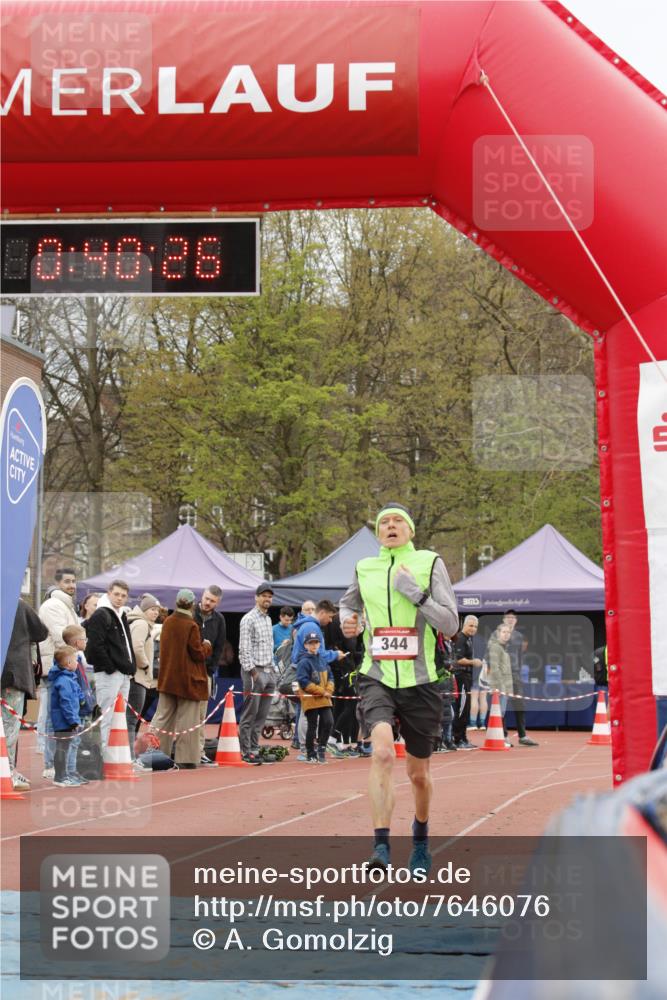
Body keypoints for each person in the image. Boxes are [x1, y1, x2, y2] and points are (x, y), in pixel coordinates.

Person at [340, 501, 458, 874]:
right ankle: (380, 844)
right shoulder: (365, 567)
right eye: (384, 523)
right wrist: (349, 621)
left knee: (418, 775)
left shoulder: (429, 562)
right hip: (376, 675)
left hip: (421, 681)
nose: (390, 526)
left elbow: (451, 623)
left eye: (397, 522)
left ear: (409, 530)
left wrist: (416, 594)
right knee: (382, 753)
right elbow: (347, 604)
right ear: (378, 534)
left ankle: (420, 839)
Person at [150, 589, 211, 768]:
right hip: (188, 680)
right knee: (188, 722)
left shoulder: (168, 621)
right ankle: (186, 759)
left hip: (168, 677)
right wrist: (207, 646)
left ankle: (158, 757)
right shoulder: (190, 625)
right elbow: (197, 653)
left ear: (176, 602)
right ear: (192, 604)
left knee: (163, 719)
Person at [1, 599, 49, 791]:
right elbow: (41, 632)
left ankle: (9, 770)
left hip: (11, 671)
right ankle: (8, 771)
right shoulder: (17, 603)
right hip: (12, 672)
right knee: (9, 726)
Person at [84, 580, 136, 750]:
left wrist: (130, 666)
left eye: (123, 596)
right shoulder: (101, 614)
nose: (120, 598)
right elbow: (94, 646)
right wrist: (110, 667)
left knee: (119, 717)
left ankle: (116, 754)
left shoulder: (121, 614)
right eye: (117, 594)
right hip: (109, 673)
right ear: (109, 593)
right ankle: (103, 754)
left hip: (123, 673)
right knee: (106, 716)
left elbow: (127, 643)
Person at [37, 572, 79, 757]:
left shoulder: (67, 606)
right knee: (51, 714)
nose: (72, 585)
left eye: (74, 581)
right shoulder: (53, 605)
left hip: (67, 664)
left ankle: (58, 759)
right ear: (57, 583)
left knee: (63, 712)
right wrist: (75, 654)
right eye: (67, 581)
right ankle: (49, 759)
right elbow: (62, 637)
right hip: (56, 666)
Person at [238, 582, 278, 765]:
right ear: (256, 597)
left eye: (269, 596)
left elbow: (269, 647)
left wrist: (273, 672)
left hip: (269, 671)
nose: (267, 599)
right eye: (264, 595)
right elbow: (243, 649)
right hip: (254, 671)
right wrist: (253, 672)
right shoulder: (248, 619)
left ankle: (254, 747)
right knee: (250, 712)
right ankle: (245, 750)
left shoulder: (268, 619)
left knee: (262, 715)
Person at [193, 586, 226, 766]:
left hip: (205, 674)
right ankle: (165, 752)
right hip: (187, 672)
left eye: (212, 601)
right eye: (206, 598)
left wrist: (211, 670)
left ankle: (199, 752)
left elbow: (219, 647)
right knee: (181, 714)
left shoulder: (220, 620)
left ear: (217, 602)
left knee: (200, 715)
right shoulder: (190, 613)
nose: (207, 603)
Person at [126, 594, 161, 759]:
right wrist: (146, 665)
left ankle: (127, 755)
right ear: (144, 609)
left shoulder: (138, 622)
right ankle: (129, 757)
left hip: (135, 677)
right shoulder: (141, 624)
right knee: (132, 720)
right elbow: (137, 647)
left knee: (131, 719)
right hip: (138, 677)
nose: (155, 613)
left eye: (157, 610)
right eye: (152, 609)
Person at [60, 624, 96, 784]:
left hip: (80, 708)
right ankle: (66, 772)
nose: (87, 642)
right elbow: (72, 688)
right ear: (76, 642)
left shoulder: (79, 659)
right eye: (84, 639)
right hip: (74, 710)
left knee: (76, 742)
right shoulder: (70, 664)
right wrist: (80, 701)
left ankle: (72, 771)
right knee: (71, 742)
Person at [295, 632, 335, 763]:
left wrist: (329, 689)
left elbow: (330, 676)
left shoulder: (322, 659)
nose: (314, 645)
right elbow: (303, 681)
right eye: (311, 643)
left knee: (329, 722)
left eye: (316, 642)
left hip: (324, 697)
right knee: (312, 725)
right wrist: (322, 691)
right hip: (311, 699)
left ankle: (322, 748)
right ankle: (310, 753)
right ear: (306, 645)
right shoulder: (303, 661)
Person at [503, 610, 538, 747]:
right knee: (502, 706)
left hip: (516, 674)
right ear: (504, 619)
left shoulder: (519, 636)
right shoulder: (497, 634)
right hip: (502, 675)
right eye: (508, 617)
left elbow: (519, 655)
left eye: (513, 617)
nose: (511, 619)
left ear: (516, 620)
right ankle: (503, 736)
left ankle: (522, 736)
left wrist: (518, 669)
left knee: (520, 705)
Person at [49, 646, 83, 787]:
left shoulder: (69, 678)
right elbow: (66, 703)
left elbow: (75, 694)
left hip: (66, 720)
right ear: (68, 663)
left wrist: (82, 699)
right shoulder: (64, 681)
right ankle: (60, 777)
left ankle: (63, 775)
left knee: (64, 747)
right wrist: (73, 721)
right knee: (62, 747)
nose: (78, 663)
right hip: (64, 722)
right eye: (76, 660)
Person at [452, 616, 481, 750]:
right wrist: (473, 662)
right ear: (464, 624)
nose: (473, 629)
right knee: (462, 708)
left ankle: (462, 737)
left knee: (466, 708)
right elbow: (458, 660)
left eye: (475, 626)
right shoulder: (460, 638)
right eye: (471, 625)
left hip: (467, 677)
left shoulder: (468, 639)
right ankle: (458, 739)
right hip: (461, 676)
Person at [485, 623, 514, 747]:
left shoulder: (503, 647)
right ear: (498, 633)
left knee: (500, 714)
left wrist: (509, 688)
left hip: (504, 687)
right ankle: (502, 738)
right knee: (499, 713)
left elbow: (506, 670)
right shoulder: (495, 647)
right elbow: (495, 668)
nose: (506, 634)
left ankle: (503, 737)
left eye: (508, 632)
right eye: (504, 632)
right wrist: (501, 688)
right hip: (499, 687)